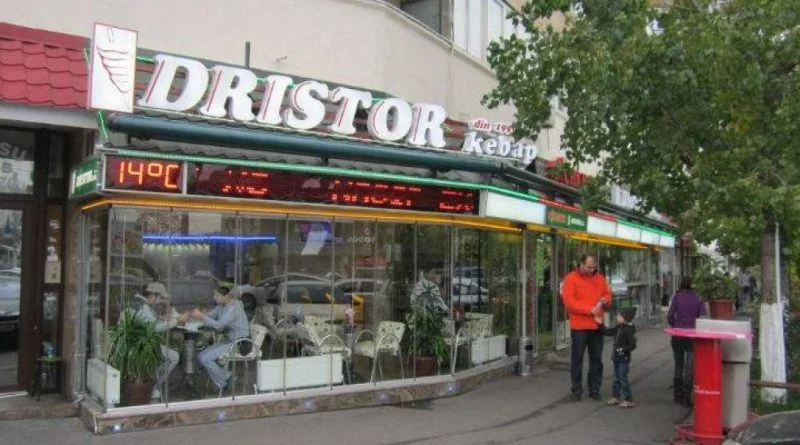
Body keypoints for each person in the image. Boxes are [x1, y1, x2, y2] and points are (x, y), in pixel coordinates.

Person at [561, 253, 612, 401]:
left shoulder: (600, 278)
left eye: (593, 267)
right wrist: (590, 309)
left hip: (596, 325)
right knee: (577, 359)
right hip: (579, 326)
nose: (591, 270)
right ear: (581, 264)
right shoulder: (571, 278)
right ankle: (576, 390)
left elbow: (607, 295)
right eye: (589, 267)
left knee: (596, 359)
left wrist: (606, 301)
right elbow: (569, 302)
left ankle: (594, 389)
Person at [135, 281, 190, 401]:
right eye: (160, 298)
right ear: (153, 295)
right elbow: (154, 328)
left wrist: (164, 319)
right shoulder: (143, 308)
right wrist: (176, 322)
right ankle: (153, 386)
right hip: (141, 346)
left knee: (169, 352)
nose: (159, 301)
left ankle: (152, 383)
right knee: (173, 357)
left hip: (140, 343)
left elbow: (150, 322)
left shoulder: (141, 304)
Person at [193, 285, 250, 393]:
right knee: (200, 356)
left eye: (217, 295)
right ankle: (226, 376)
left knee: (205, 359)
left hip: (239, 343)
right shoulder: (221, 306)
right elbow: (210, 316)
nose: (214, 297)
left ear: (226, 296)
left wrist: (201, 316)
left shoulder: (234, 307)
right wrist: (197, 315)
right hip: (228, 341)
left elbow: (219, 325)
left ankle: (223, 383)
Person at [667, 275, 706, 406]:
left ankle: (677, 395)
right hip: (691, 336)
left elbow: (670, 316)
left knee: (678, 365)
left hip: (677, 335)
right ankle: (686, 397)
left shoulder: (677, 297)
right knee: (689, 367)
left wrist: (675, 325)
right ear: (692, 284)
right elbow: (703, 317)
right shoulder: (698, 298)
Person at [603, 307, 638, 408]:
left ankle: (628, 399)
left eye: (619, 315)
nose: (617, 317)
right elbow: (608, 332)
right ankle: (616, 397)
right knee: (616, 378)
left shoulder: (628, 330)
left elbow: (632, 345)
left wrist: (623, 349)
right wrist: (600, 324)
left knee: (623, 378)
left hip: (624, 359)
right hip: (617, 357)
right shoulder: (619, 327)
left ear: (625, 317)